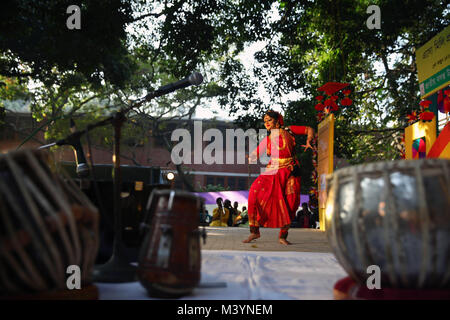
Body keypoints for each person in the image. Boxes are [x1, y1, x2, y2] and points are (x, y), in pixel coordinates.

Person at [242, 110, 314, 245]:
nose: (266, 123)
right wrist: (249, 157)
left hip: (290, 170)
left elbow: (309, 129)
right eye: (265, 121)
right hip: (272, 170)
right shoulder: (268, 139)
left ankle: (283, 235)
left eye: (269, 120)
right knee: (253, 193)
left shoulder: (289, 130)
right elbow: (255, 154)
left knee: (291, 203)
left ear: (277, 120)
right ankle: (254, 231)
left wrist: (309, 139)